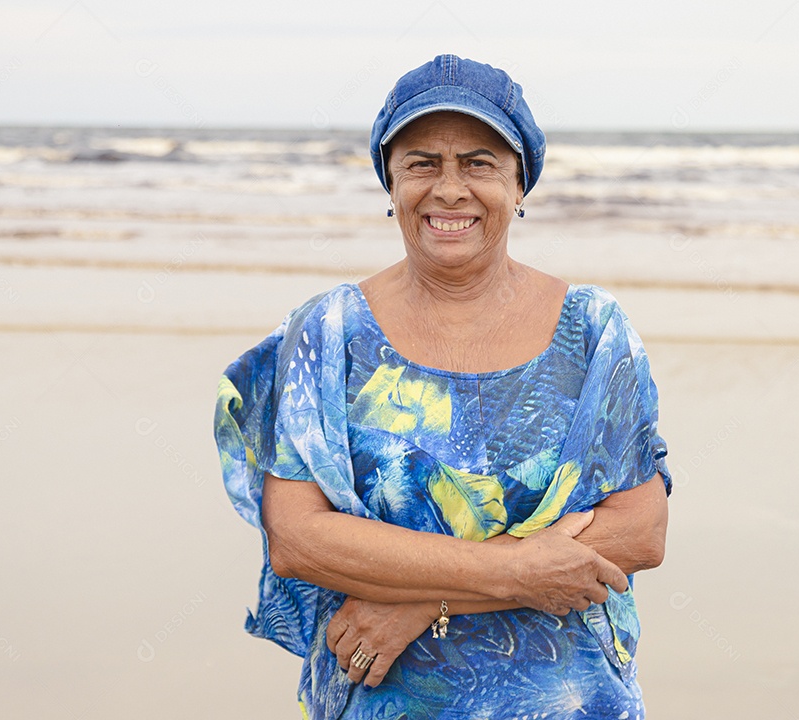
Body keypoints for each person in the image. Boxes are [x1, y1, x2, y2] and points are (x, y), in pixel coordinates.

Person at [214, 54, 672, 719]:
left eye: (479, 162)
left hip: (575, 701)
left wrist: (424, 599)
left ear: (520, 185)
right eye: (422, 163)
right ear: (390, 183)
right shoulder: (329, 332)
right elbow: (296, 538)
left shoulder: (594, 331)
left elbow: (640, 531)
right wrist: (519, 570)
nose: (449, 189)